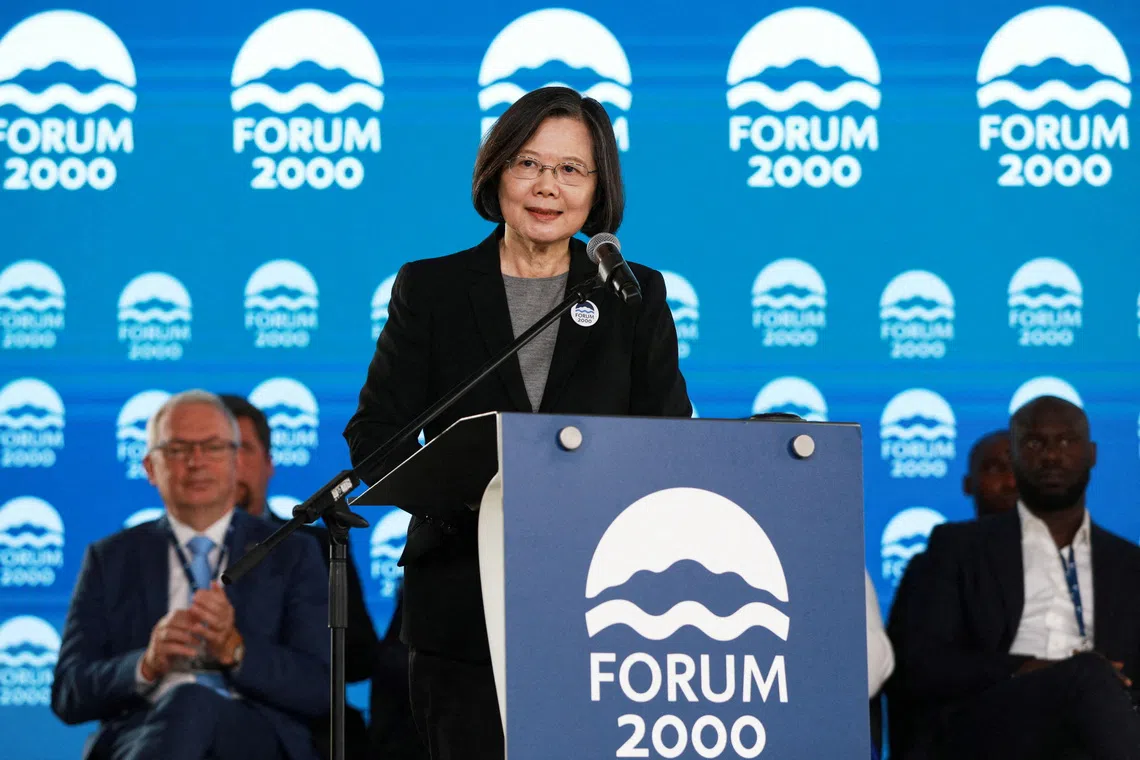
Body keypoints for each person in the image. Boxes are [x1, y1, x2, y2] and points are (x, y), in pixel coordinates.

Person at [343, 86, 691, 760]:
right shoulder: (432, 288)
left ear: (598, 189)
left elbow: (669, 440)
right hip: (460, 598)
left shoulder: (631, 293)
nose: (547, 187)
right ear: (497, 171)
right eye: (529, 164)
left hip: (604, 602)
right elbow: (375, 437)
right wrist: (478, 504)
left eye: (570, 169)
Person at [52, 390, 329, 760]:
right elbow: (68, 693)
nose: (196, 462)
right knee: (184, 704)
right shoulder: (110, 558)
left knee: (192, 700)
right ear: (150, 467)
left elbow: (321, 688)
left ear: (236, 461)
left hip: (254, 736)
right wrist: (145, 665)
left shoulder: (290, 552)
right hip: (140, 733)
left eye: (213, 447)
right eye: (178, 449)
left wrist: (236, 650)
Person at [892, 395, 1140, 759]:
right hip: (993, 723)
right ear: (1015, 455)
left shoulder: (1130, 563)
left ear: (1092, 454)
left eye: (1067, 441)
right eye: (1035, 443)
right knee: (1087, 674)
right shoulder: (957, 548)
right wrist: (1027, 668)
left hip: (1106, 724)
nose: (1052, 456)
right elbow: (919, 663)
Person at [218, 394, 383, 760]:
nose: (228, 465)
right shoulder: (148, 551)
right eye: (217, 450)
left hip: (300, 730)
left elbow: (358, 657)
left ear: (269, 462)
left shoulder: (315, 545)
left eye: (241, 448)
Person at [963, 429, 1018, 517]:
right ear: (968, 485)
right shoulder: (943, 531)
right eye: (993, 470)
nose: (1011, 482)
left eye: (1023, 470)